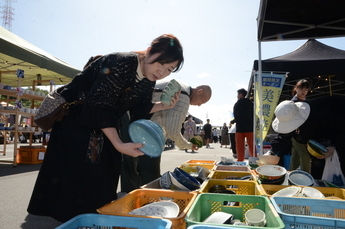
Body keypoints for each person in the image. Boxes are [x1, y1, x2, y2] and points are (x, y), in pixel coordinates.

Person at [27, 34, 184, 222]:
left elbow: (137, 109)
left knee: (106, 170)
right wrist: (118, 143)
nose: (162, 73)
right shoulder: (123, 62)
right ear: (150, 51)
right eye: (162, 64)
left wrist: (163, 106)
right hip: (76, 119)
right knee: (78, 173)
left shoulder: (148, 79)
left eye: (169, 70)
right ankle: (75, 220)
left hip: (102, 122)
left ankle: (94, 218)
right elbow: (99, 104)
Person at [120, 80, 211, 192]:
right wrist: (188, 145)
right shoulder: (183, 97)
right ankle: (144, 202)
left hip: (130, 126)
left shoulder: (177, 86)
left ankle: (129, 198)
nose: (199, 105)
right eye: (202, 101)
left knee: (130, 171)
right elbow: (172, 130)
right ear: (199, 91)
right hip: (147, 136)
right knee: (149, 178)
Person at [272, 96, 345, 179]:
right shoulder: (291, 115)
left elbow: (340, 133)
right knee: (317, 172)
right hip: (322, 140)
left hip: (340, 128)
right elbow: (283, 137)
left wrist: (333, 148)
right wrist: (272, 152)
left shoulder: (320, 115)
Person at [289, 79, 311, 172]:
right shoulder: (292, 102)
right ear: (296, 88)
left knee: (296, 155)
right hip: (296, 132)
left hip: (304, 132)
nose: (303, 91)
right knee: (304, 155)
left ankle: (290, 174)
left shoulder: (307, 102)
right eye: (301, 88)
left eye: (306, 89)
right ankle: (307, 175)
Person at [231, 88, 255, 161]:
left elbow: (237, 115)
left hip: (240, 128)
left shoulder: (237, 104)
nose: (237, 96)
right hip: (250, 128)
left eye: (238, 94)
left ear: (241, 94)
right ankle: (254, 160)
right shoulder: (251, 103)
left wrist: (234, 121)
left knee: (240, 146)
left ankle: (240, 160)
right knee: (251, 146)